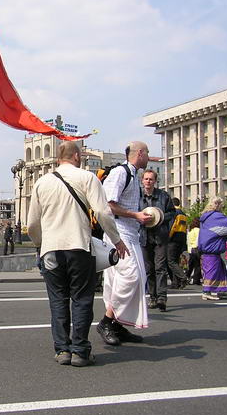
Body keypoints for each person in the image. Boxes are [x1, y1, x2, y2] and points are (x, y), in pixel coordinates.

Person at [28, 141, 127, 367]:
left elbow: (32, 223)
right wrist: (117, 240)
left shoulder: (42, 182)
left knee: (58, 300)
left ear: (58, 158)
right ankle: (80, 352)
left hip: (51, 250)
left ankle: (62, 350)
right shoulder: (87, 178)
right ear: (76, 156)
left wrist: (40, 244)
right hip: (79, 247)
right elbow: (102, 212)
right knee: (81, 299)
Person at [99, 141, 153, 347]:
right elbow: (108, 205)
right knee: (131, 277)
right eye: (147, 153)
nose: (148, 156)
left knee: (131, 279)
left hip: (130, 233)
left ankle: (117, 324)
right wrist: (136, 215)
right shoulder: (121, 173)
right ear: (139, 153)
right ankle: (106, 322)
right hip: (119, 233)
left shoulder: (132, 174)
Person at [139, 169, 176, 312]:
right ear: (142, 180)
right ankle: (152, 296)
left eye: (151, 179)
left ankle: (162, 298)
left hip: (160, 236)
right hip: (144, 236)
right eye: (146, 179)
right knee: (148, 269)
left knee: (160, 267)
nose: (148, 181)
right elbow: (134, 214)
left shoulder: (163, 196)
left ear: (155, 181)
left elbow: (172, 212)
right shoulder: (138, 196)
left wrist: (159, 218)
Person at [198, 197, 227, 300]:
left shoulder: (206, 217)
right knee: (212, 271)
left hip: (206, 248)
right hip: (212, 248)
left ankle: (221, 290)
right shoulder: (216, 216)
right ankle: (206, 291)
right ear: (218, 205)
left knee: (220, 271)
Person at [168, 197, 189, 289]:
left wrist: (168, 237)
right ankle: (175, 283)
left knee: (171, 261)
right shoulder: (183, 214)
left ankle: (183, 277)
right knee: (176, 261)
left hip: (173, 239)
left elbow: (172, 227)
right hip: (181, 239)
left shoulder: (174, 213)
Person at [186, 219, 201, 285]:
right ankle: (196, 280)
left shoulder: (190, 230)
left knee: (190, 265)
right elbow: (198, 239)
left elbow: (187, 241)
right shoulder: (198, 230)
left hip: (190, 249)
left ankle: (186, 277)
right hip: (195, 249)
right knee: (197, 265)